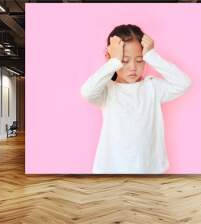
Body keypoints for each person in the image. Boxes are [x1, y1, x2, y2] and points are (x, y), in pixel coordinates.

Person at [80, 24, 192, 174]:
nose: (133, 67)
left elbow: (183, 83)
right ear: (110, 58)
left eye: (140, 60)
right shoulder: (107, 91)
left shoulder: (152, 87)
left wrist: (152, 55)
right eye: (124, 60)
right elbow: (87, 92)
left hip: (149, 170)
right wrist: (114, 61)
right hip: (112, 170)